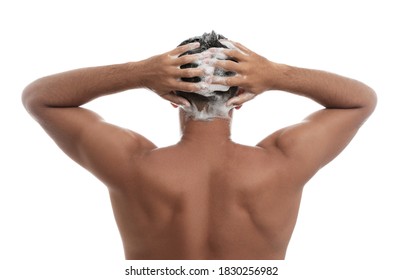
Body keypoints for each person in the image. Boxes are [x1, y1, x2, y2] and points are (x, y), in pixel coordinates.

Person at [22, 32, 377, 260]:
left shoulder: (132, 165)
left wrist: (138, 72)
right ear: (240, 98)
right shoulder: (284, 163)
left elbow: (39, 98)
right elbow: (361, 100)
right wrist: (276, 75)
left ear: (171, 97)